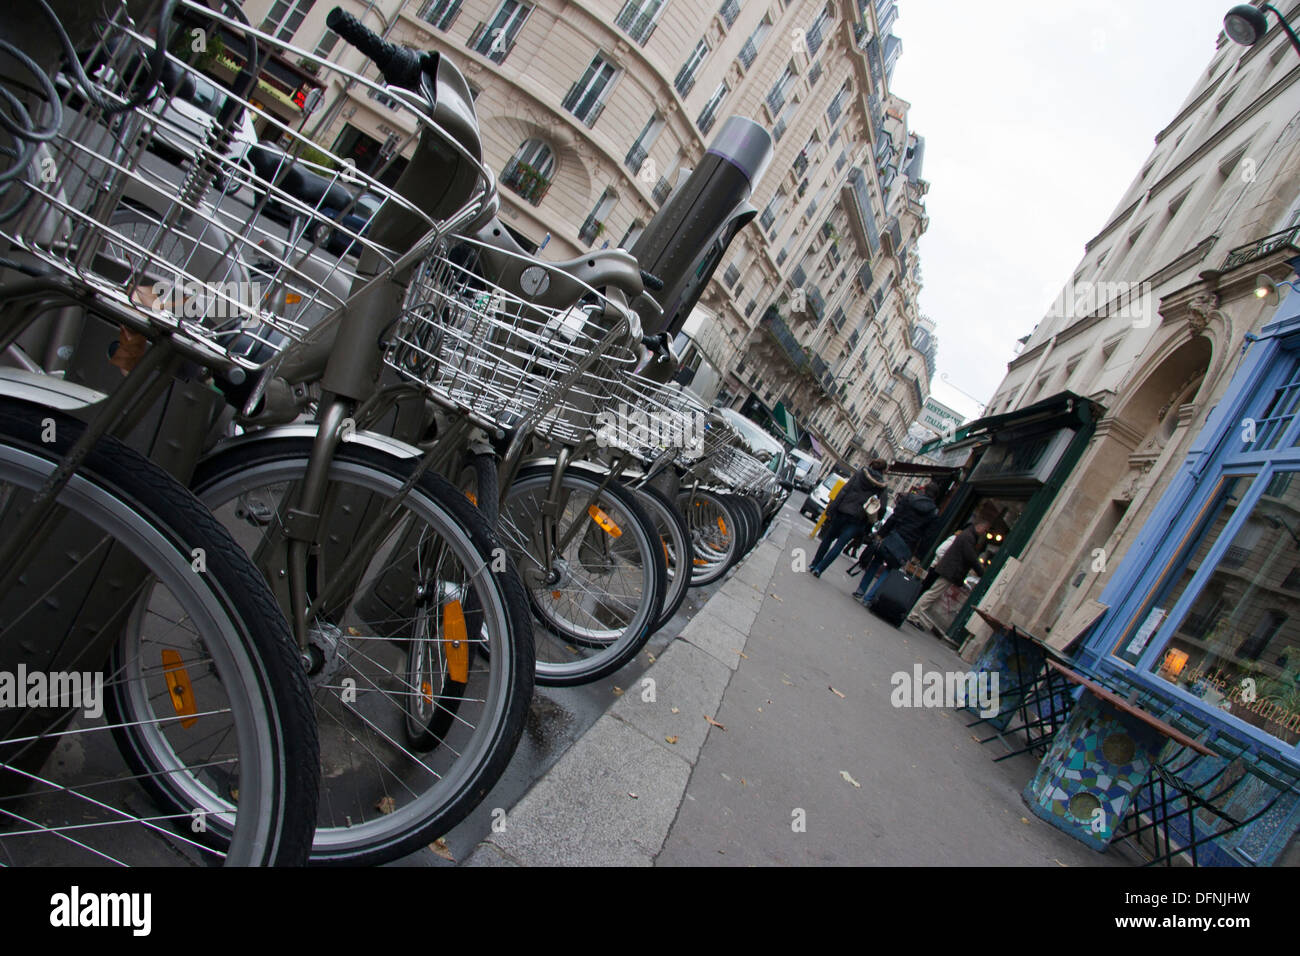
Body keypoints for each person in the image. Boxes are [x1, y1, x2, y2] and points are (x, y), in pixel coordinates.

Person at [852, 481, 943, 604]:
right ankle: (869, 598)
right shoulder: (933, 514)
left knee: (876, 562)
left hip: (893, 536)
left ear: (924, 490)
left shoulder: (909, 499)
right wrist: (918, 555)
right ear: (935, 497)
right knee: (890, 570)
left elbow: (894, 517)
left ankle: (860, 590)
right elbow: (927, 537)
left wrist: (881, 534)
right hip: (907, 545)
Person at [809, 459, 889, 577]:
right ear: (883, 471)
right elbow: (882, 508)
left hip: (843, 510)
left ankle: (814, 564)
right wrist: (872, 521)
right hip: (858, 519)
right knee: (839, 545)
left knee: (828, 538)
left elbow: (844, 491)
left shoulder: (860, 474)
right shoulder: (882, 485)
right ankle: (819, 569)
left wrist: (832, 508)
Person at [908, 520, 989, 629]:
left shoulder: (967, 534)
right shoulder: (968, 537)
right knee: (932, 594)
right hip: (949, 570)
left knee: (933, 593)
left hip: (948, 569)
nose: (984, 533)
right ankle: (914, 615)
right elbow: (971, 557)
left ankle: (915, 614)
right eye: (985, 530)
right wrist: (982, 572)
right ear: (980, 527)